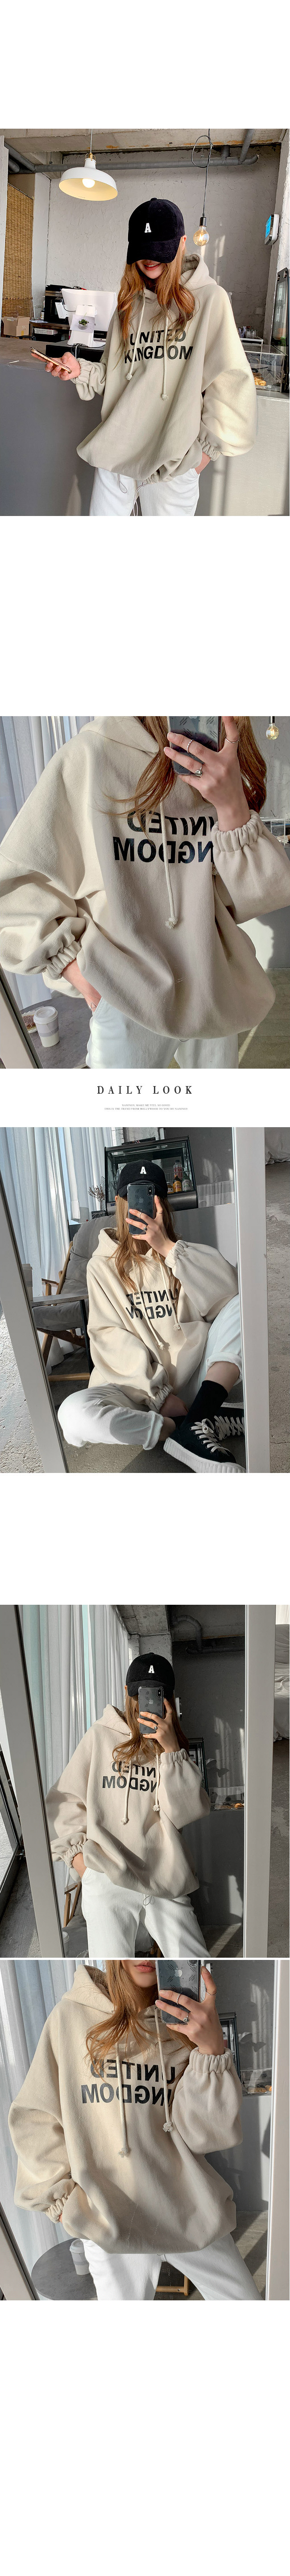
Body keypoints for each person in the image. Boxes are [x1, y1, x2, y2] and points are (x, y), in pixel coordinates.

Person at [1, 716, 289, 1074]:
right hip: (126, 995)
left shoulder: (222, 759)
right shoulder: (92, 755)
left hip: (213, 985)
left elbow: (258, 897)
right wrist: (77, 972)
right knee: (129, 1110)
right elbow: (15, 889)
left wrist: (232, 807)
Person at [8, 1957, 260, 2299]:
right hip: (109, 2220)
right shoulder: (70, 2017)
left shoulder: (182, 2022)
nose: (145, 1957)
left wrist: (211, 2049)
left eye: (154, 1948)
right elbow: (36, 2116)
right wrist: (62, 2201)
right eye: (135, 1946)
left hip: (189, 2210)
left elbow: (202, 2135)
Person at [33, 195, 257, 518]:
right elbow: (115, 376)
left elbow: (230, 385)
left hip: (172, 465)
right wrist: (79, 370)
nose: (150, 259)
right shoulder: (129, 306)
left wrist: (203, 455)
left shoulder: (210, 300)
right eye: (143, 250)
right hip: (117, 455)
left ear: (182, 244)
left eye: (160, 250)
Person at [57, 1156, 244, 1473]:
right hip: (136, 1390)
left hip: (193, 1379)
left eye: (152, 1196)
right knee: (73, 1415)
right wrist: (159, 1396)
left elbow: (230, 1294)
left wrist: (168, 1248)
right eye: (134, 1197)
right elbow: (109, 1338)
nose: (142, 1207)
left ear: (163, 1205)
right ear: (120, 1204)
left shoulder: (181, 1255)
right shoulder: (101, 1267)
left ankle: (199, 1417)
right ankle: (182, 1429)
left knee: (245, 1304)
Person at [45, 1650, 211, 1956]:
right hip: (108, 1878)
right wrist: (84, 1866)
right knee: (113, 1973)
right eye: (140, 1694)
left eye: (156, 1695)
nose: (145, 1704)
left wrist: (171, 1751)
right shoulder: (99, 1736)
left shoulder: (172, 1748)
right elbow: (64, 1801)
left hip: (165, 1878)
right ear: (127, 1692)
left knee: (196, 1966)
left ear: (169, 1699)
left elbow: (185, 1814)